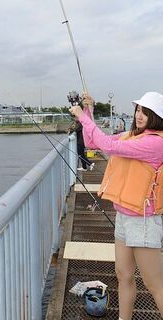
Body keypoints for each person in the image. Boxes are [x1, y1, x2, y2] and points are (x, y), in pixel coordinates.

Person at [69, 91, 163, 320]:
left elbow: (109, 148)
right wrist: (88, 111)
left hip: (142, 221)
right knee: (123, 275)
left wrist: (82, 115)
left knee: (154, 284)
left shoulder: (155, 143)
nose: (139, 116)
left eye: (146, 112)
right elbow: (95, 141)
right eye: (138, 110)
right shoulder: (133, 136)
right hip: (123, 217)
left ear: (157, 117)